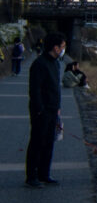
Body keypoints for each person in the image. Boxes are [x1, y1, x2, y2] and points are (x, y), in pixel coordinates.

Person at [26, 32, 65, 187]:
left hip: (53, 109)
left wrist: (58, 107)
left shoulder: (56, 63)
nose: (63, 49)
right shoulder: (39, 64)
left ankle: (44, 174)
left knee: (49, 142)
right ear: (55, 48)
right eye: (62, 46)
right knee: (37, 142)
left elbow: (55, 88)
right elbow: (34, 90)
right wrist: (40, 110)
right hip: (41, 111)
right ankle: (31, 176)